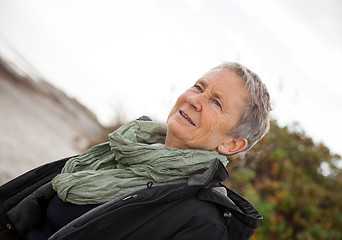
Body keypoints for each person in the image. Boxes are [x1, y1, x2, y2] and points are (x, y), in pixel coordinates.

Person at [0, 62, 271, 240]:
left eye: (216, 103)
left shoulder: (204, 225)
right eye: (199, 87)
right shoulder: (125, 148)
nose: (194, 100)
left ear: (232, 144)